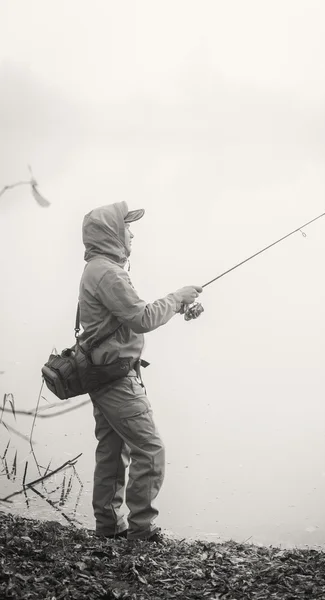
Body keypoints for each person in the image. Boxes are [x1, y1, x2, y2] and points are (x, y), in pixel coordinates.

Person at [78, 201, 202, 542]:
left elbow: (128, 316)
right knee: (150, 450)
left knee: (111, 452)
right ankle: (142, 532)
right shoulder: (108, 272)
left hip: (103, 374)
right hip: (116, 379)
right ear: (112, 232)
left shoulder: (98, 269)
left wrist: (176, 307)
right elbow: (142, 318)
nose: (132, 232)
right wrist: (177, 298)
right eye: (127, 227)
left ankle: (108, 527)